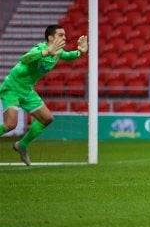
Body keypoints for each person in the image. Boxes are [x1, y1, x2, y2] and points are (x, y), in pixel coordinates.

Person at [0, 25, 88, 165]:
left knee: (47, 119)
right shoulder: (40, 49)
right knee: (10, 124)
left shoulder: (58, 52)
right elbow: (25, 58)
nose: (64, 37)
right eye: (60, 35)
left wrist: (80, 52)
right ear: (50, 37)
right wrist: (46, 52)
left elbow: (68, 56)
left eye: (64, 35)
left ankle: (22, 145)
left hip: (27, 90)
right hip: (12, 88)